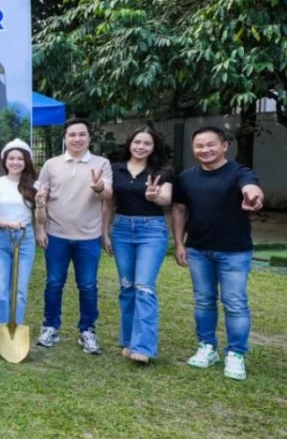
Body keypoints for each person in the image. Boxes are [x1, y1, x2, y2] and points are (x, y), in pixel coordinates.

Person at [172, 126, 264, 381]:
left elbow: (253, 190)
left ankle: (235, 354)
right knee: (203, 300)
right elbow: (179, 210)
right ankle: (207, 347)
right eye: (199, 146)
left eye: (211, 144)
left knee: (235, 303)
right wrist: (179, 243)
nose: (205, 150)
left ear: (224, 146)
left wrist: (253, 198)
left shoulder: (239, 173)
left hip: (234, 251)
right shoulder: (187, 176)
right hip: (198, 249)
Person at [34, 118, 112, 354]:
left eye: (82, 134)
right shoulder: (51, 164)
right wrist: (40, 228)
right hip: (56, 235)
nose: (77, 139)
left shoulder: (101, 163)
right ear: (65, 138)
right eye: (72, 135)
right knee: (54, 283)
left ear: (89, 137)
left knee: (88, 285)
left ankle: (87, 331)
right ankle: (50, 327)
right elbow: (41, 198)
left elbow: (107, 194)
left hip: (88, 237)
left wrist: (98, 187)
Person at [101, 127, 173, 363]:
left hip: (151, 230)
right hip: (121, 229)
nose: (141, 147)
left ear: (154, 148)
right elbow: (108, 203)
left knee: (144, 287)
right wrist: (105, 232)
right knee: (128, 287)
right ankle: (129, 340)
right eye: (137, 142)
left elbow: (167, 198)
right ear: (130, 143)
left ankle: (143, 347)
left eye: (147, 143)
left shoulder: (162, 171)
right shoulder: (115, 169)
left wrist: (154, 196)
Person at [0, 140, 38, 331]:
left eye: (20, 159)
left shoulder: (34, 185)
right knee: (1, 291)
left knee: (20, 290)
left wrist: (43, 202)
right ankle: (0, 329)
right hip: (0, 238)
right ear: (4, 161)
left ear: (26, 161)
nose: (15, 162)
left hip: (25, 239)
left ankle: (15, 328)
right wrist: (7, 224)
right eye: (11, 158)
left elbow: (40, 216)